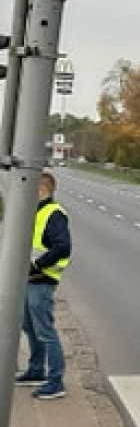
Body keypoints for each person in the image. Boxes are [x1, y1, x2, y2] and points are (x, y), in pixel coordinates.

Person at [16, 171, 72, 399]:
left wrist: (36, 265)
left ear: (40, 190)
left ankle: (55, 380)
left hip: (42, 280)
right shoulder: (38, 212)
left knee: (44, 330)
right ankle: (36, 370)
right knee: (29, 326)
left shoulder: (54, 214)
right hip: (31, 279)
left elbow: (63, 246)